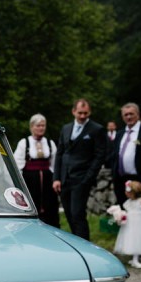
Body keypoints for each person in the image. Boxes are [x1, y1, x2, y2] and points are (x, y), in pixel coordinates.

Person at [53, 98, 106, 240]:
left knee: (77, 214)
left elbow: (99, 156)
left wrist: (88, 178)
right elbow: (60, 153)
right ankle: (76, 242)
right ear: (73, 111)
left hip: (82, 179)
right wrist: (56, 177)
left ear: (90, 112)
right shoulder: (66, 128)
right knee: (69, 214)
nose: (83, 116)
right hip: (64, 178)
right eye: (80, 113)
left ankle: (85, 245)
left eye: (86, 113)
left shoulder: (97, 129)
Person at [13, 114, 60, 227]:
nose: (41, 128)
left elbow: (55, 163)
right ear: (32, 127)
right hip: (30, 180)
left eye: (43, 126)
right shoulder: (24, 143)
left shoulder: (50, 143)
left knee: (50, 207)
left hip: (47, 181)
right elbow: (17, 164)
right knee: (32, 204)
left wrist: (55, 178)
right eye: (38, 125)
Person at [111, 103, 141, 216]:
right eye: (126, 114)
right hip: (121, 181)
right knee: (125, 211)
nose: (128, 117)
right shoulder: (119, 134)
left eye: (131, 114)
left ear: (138, 115)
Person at [113, 180, 141, 269]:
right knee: (132, 239)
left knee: (139, 239)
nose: (125, 193)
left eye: (127, 191)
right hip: (130, 224)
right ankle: (134, 259)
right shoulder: (128, 202)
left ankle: (136, 259)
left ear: (133, 192)